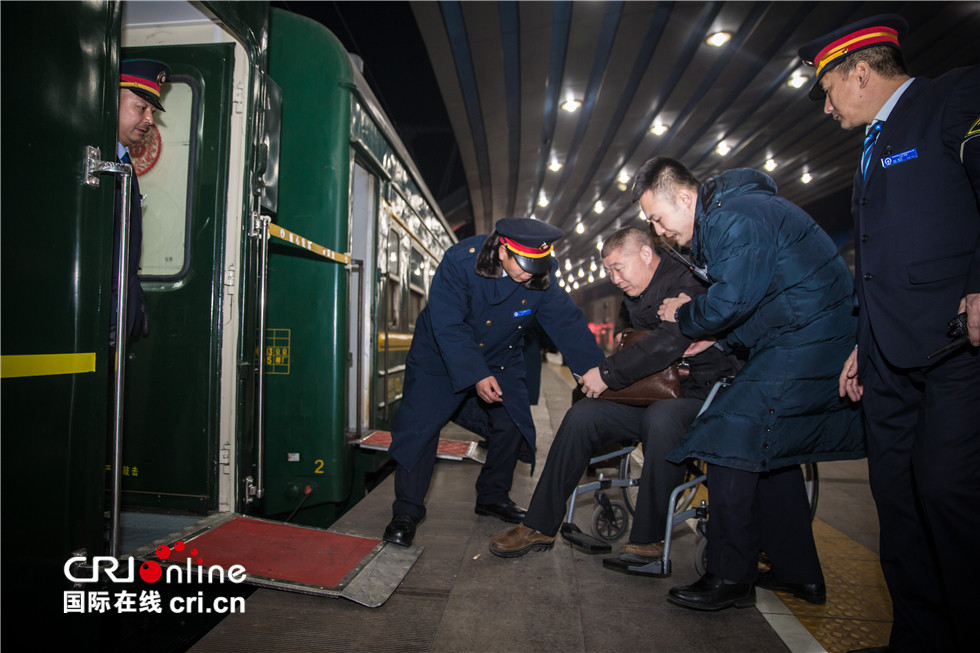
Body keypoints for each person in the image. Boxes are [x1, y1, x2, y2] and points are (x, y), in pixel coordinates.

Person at [798, 15, 980, 652]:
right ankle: (916, 639)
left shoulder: (952, 97)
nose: (826, 107)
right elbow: (880, 258)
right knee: (897, 501)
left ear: (863, 73)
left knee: (949, 494)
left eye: (828, 90)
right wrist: (862, 340)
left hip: (957, 344)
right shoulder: (873, 147)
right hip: (887, 353)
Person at [637, 156, 864, 611]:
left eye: (658, 218)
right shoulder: (743, 210)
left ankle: (729, 575)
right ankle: (799, 573)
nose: (659, 232)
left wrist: (684, 315)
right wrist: (719, 342)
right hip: (809, 334)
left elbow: (730, 301)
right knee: (770, 453)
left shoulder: (732, 216)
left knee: (729, 440)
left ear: (684, 197)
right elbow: (765, 300)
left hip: (808, 338)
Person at [488, 226, 739, 561]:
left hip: (702, 396)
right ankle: (538, 525)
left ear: (646, 254)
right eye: (608, 271)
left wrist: (606, 373)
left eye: (618, 268)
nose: (614, 278)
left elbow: (666, 342)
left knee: (661, 418)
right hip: (655, 393)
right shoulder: (632, 298)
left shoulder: (686, 281)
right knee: (583, 416)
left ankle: (649, 538)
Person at [383, 218, 604, 547]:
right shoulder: (460, 262)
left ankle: (492, 496)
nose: (529, 274)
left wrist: (594, 370)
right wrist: (475, 373)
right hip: (440, 357)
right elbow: (449, 325)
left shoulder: (540, 276)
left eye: (536, 267)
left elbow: (566, 321)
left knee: (512, 423)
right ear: (502, 250)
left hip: (501, 356)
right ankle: (406, 511)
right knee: (420, 429)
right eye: (523, 265)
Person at [113, 58, 171, 344]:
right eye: (141, 107)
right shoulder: (101, 160)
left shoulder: (122, 160)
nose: (149, 119)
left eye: (152, 110)